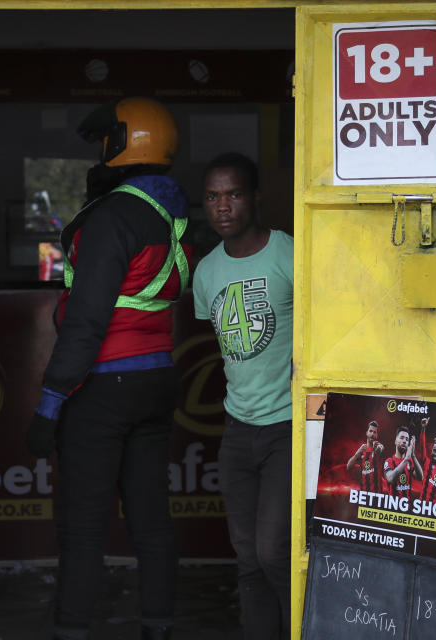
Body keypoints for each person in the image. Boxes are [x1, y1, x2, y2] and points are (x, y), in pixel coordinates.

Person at [25, 97, 191, 640]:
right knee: (151, 520)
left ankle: (71, 629)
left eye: (104, 143)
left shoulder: (111, 217)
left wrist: (50, 404)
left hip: (102, 388)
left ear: (120, 145)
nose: (99, 154)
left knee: (83, 526)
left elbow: (87, 320)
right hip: (157, 381)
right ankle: (158, 627)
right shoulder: (179, 217)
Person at [192, 152, 294, 639]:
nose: (223, 206)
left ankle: (311, 621)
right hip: (237, 431)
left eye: (233, 194)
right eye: (213, 196)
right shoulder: (206, 271)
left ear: (255, 198)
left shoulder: (289, 253)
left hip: (287, 425)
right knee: (248, 558)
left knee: (273, 550)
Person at [383, 425, 424, 499]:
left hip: (406, 507)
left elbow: (420, 477)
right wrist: (406, 459)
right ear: (395, 441)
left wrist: (413, 455)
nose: (404, 441)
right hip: (392, 507)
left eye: (407, 439)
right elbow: (391, 479)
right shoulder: (389, 461)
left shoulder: (410, 461)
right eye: (402, 438)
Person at [346, 420, 385, 493]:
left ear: (377, 435)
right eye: (370, 431)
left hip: (376, 494)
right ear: (367, 433)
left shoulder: (378, 445)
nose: (372, 434)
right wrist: (357, 453)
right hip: (363, 494)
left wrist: (377, 449)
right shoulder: (362, 450)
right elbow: (348, 466)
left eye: (374, 432)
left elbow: (380, 449)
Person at [417, 417, 436, 502]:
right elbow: (422, 446)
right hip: (421, 506)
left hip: (433, 510)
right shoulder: (426, 462)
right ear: (431, 451)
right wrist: (423, 428)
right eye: (434, 450)